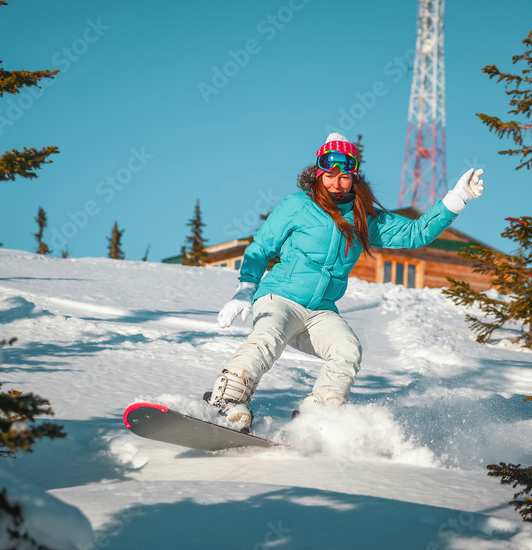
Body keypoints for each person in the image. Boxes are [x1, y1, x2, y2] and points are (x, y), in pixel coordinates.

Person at [207, 132, 484, 428]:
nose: (336, 183)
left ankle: (318, 416)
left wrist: (456, 200)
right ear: (318, 174)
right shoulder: (298, 205)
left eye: (344, 177)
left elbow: (416, 233)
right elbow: (261, 248)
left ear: (354, 178)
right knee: (268, 338)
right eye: (330, 175)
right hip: (280, 298)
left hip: (321, 310)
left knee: (347, 349)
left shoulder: (364, 217)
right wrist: (245, 288)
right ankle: (227, 400)